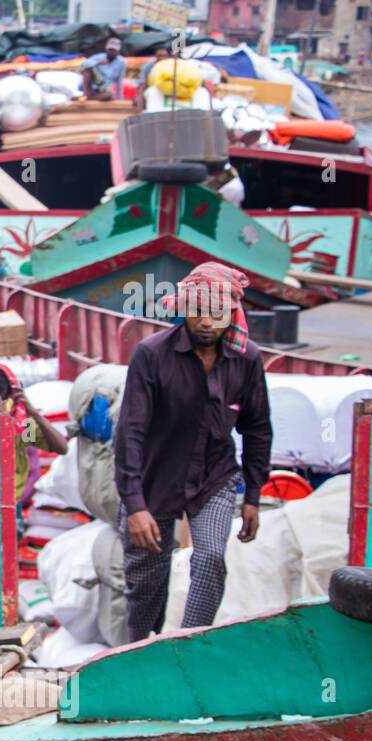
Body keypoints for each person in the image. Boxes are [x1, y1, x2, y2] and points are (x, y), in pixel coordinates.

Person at [113, 262, 272, 643]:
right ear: (184, 308)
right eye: (198, 311)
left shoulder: (246, 359)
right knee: (147, 581)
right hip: (155, 479)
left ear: (230, 314)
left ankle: (189, 644)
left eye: (216, 312)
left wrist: (253, 495)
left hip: (215, 477)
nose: (206, 322)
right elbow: (130, 432)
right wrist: (135, 505)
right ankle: (140, 654)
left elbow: (257, 428)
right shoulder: (151, 354)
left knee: (211, 558)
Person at [0, 363, 69, 508]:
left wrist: (33, 412)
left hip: (9, 502)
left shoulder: (21, 426)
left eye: (1, 400)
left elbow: (61, 448)